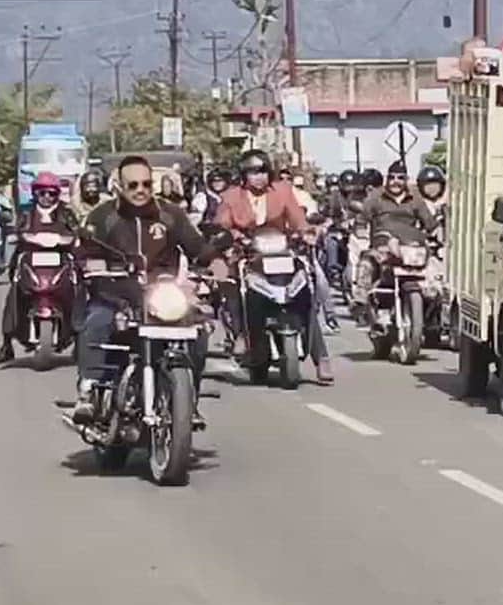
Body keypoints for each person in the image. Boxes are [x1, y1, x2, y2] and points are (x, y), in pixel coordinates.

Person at [71, 155, 219, 424]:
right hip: (116, 293)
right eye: (133, 185)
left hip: (162, 294)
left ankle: (189, 400)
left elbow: (197, 249)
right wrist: (92, 266)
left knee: (196, 330)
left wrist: (216, 255)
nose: (141, 190)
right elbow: (85, 251)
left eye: (146, 184)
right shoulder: (103, 216)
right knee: (97, 320)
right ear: (118, 187)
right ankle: (89, 390)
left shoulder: (171, 215)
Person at [215, 150, 334, 383]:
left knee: (309, 289)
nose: (258, 177)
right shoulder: (232, 196)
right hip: (247, 254)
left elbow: (298, 219)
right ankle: (242, 334)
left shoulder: (282, 191)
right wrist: (233, 237)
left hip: (281, 250)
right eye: (252, 172)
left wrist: (306, 233)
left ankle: (321, 357)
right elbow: (222, 225)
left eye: (261, 171)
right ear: (244, 175)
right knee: (229, 283)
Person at [0, 173, 79, 364]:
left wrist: (75, 239)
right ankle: (7, 343)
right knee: (14, 290)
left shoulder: (66, 213)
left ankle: (80, 338)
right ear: (35, 194)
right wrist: (19, 236)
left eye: (51, 193)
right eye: (42, 193)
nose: (47, 198)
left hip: (62, 260)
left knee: (79, 288)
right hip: (30, 260)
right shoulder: (27, 213)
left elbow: (76, 231)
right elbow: (18, 230)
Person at [355, 160, 439, 302]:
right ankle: (360, 298)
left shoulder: (415, 199)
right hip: (382, 249)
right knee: (366, 264)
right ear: (387, 179)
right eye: (392, 177)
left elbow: (430, 224)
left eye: (400, 178)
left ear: (406, 180)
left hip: (410, 249)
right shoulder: (376, 197)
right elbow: (362, 219)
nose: (396, 181)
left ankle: (433, 309)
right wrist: (361, 230)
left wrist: (437, 233)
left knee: (435, 271)